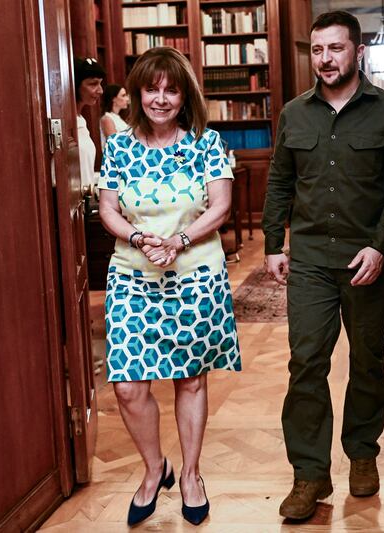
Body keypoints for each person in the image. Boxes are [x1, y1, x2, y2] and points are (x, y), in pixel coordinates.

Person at [262, 11, 384, 521]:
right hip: (308, 258)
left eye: (335, 48)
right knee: (306, 363)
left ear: (358, 52)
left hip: (364, 260)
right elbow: (280, 181)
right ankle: (309, 474)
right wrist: (272, 242)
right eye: (317, 50)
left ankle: (363, 452)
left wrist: (379, 246)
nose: (325, 59)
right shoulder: (294, 114)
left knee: (368, 361)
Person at [98, 46, 241, 527]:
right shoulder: (118, 145)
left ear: (184, 95)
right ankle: (155, 468)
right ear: (138, 92)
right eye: (151, 88)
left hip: (196, 271)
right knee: (127, 385)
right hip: (133, 274)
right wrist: (140, 237)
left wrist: (178, 241)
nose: (161, 98)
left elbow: (219, 206)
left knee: (190, 377)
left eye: (171, 89)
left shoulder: (206, 142)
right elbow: (109, 210)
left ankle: (192, 475)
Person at [73, 57, 105, 194]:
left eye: (100, 84)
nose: (100, 91)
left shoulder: (81, 120)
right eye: (93, 84)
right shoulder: (68, 124)